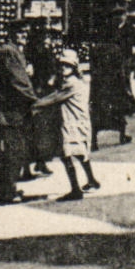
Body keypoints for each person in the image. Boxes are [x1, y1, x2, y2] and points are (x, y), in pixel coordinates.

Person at [31, 48, 100, 202]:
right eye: (62, 65)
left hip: (72, 123)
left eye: (67, 66)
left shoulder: (71, 84)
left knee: (66, 155)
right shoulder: (77, 81)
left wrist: (35, 105)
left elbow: (54, 98)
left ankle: (75, 190)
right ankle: (92, 180)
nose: (63, 68)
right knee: (80, 152)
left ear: (73, 67)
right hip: (79, 121)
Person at [0, 23, 39, 203]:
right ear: (11, 34)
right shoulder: (8, 52)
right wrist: (35, 100)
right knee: (13, 151)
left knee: (14, 151)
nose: (24, 35)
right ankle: (7, 193)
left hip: (13, 112)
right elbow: (18, 81)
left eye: (26, 32)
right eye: (20, 32)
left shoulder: (15, 51)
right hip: (7, 113)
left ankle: (8, 190)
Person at [88, 17, 135, 150]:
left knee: (97, 113)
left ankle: (94, 142)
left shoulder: (95, 49)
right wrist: (125, 86)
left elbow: (92, 69)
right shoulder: (116, 49)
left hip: (98, 86)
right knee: (117, 111)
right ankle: (122, 135)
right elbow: (120, 71)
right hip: (114, 86)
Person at [24, 23, 61, 178]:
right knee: (37, 131)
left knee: (39, 131)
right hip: (41, 94)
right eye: (45, 36)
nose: (48, 39)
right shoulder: (37, 51)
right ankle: (34, 164)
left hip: (42, 94)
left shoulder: (39, 50)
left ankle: (39, 162)